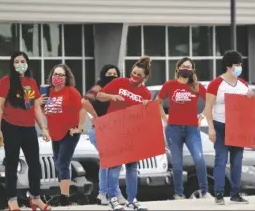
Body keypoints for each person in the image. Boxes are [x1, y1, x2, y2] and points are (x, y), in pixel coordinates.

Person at [0, 51, 51, 211]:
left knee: (35, 164)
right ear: (12, 64)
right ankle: (12, 200)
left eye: (23, 61)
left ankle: (36, 197)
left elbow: (36, 107)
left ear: (27, 63)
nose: (20, 64)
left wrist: (44, 128)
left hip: (29, 128)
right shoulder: (6, 81)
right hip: (10, 127)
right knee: (11, 164)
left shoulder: (31, 82)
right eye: (16, 61)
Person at [96, 56, 152, 210]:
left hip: (132, 132)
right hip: (115, 128)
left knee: (132, 167)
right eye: (133, 72)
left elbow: (145, 116)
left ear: (145, 77)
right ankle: (113, 197)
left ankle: (132, 199)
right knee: (115, 165)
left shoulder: (146, 93)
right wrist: (111, 96)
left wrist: (147, 107)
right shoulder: (119, 82)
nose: (135, 76)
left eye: (139, 75)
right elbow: (99, 95)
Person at [204, 50, 254, 205]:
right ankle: (219, 193)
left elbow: (248, 107)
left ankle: (235, 193)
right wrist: (211, 128)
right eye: (236, 64)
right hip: (220, 125)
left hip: (237, 127)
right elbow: (208, 108)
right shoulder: (216, 84)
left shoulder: (243, 84)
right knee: (221, 159)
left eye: (240, 64)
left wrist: (250, 97)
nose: (239, 67)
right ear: (228, 66)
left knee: (237, 160)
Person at [156, 57, 209, 200]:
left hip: (192, 128)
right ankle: (179, 193)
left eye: (189, 67)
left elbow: (211, 101)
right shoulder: (170, 85)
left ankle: (205, 191)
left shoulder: (197, 86)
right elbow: (158, 102)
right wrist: (165, 120)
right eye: (184, 66)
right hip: (173, 129)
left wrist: (202, 115)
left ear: (193, 70)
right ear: (178, 68)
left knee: (199, 159)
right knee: (177, 163)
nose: (186, 69)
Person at [39, 64, 87, 206]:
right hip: (55, 133)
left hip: (69, 132)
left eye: (61, 75)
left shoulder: (71, 92)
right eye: (55, 74)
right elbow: (49, 112)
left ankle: (64, 197)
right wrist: (40, 104)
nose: (57, 78)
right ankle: (64, 193)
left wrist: (79, 128)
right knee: (58, 162)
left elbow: (82, 110)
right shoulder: (49, 92)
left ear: (67, 78)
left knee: (62, 162)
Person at [81, 64, 126, 205]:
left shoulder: (121, 90)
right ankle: (109, 193)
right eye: (109, 73)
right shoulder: (98, 88)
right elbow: (84, 101)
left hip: (116, 129)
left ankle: (107, 193)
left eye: (115, 74)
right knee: (109, 160)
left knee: (111, 161)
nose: (112, 76)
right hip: (100, 128)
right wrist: (95, 115)